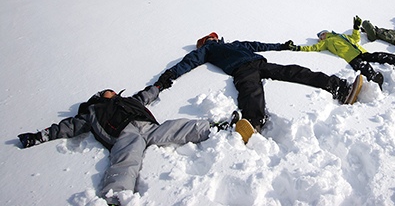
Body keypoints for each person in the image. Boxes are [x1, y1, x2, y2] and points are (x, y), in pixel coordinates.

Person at [17, 81, 240, 205]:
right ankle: (116, 197)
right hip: (123, 133)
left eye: (113, 90)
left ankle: (216, 127)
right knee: (126, 160)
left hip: (147, 126)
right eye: (108, 90)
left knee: (175, 126)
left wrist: (160, 86)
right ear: (100, 96)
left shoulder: (128, 100)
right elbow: (68, 127)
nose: (112, 91)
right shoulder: (93, 111)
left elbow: (146, 95)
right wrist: (40, 136)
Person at [158, 33, 364, 135]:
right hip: (242, 69)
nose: (213, 40)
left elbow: (258, 45)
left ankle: (340, 88)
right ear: (205, 42)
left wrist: (282, 46)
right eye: (209, 39)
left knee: (296, 71)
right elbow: (189, 62)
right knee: (250, 91)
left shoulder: (233, 44)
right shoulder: (206, 51)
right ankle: (252, 124)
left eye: (213, 38)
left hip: (259, 63)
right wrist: (170, 75)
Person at [292, 16, 395, 86]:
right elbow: (312, 47)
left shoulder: (340, 36)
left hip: (362, 52)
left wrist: (355, 28)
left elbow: (355, 38)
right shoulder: (326, 43)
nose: (323, 36)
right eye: (321, 36)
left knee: (384, 56)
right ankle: (374, 78)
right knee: (363, 67)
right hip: (351, 57)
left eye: (323, 34)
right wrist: (298, 47)